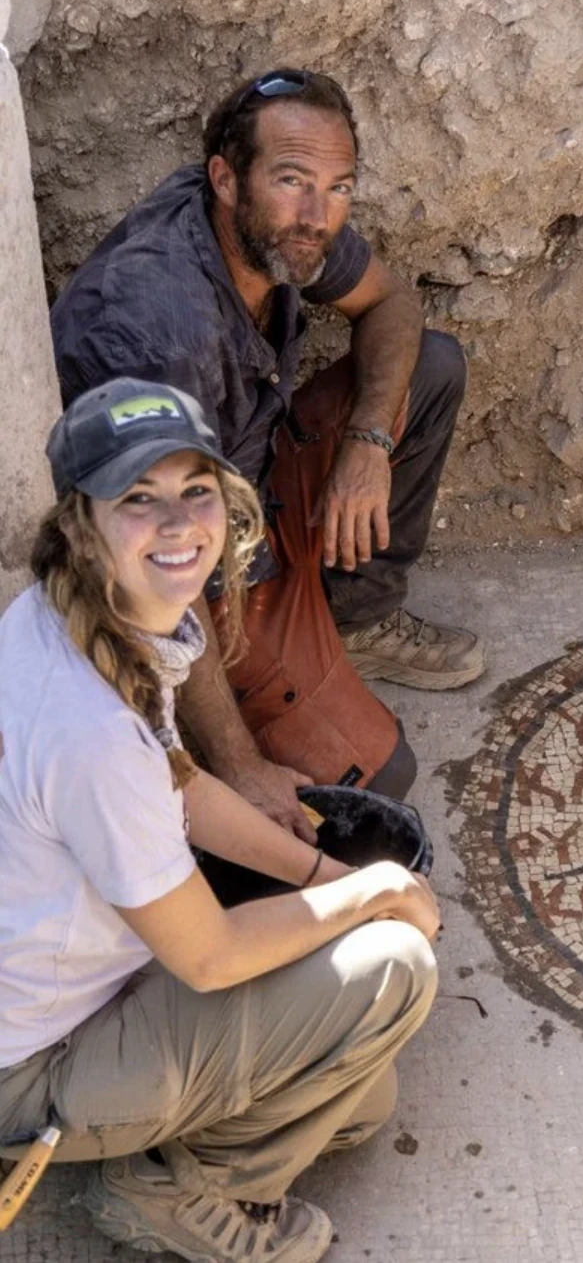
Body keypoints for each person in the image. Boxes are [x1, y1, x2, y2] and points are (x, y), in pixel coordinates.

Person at [0, 378, 441, 1263]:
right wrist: (378, 896)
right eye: (137, 499)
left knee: (362, 1104)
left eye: (194, 490)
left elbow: (181, 780)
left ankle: (172, 1142)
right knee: (395, 971)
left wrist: (327, 878)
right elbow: (208, 957)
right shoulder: (88, 733)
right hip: (31, 1070)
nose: (177, 524)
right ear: (82, 522)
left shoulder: (74, 612)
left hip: (84, 986)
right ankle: (172, 1193)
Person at [50, 68, 483, 834]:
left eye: (339, 187)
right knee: (378, 779)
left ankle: (353, 617)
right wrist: (242, 767)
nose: (318, 216)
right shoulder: (162, 330)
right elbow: (159, 580)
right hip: (188, 560)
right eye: (292, 181)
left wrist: (367, 443)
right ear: (225, 177)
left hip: (246, 483)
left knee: (432, 367)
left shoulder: (284, 231)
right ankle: (209, 736)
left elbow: (392, 302)